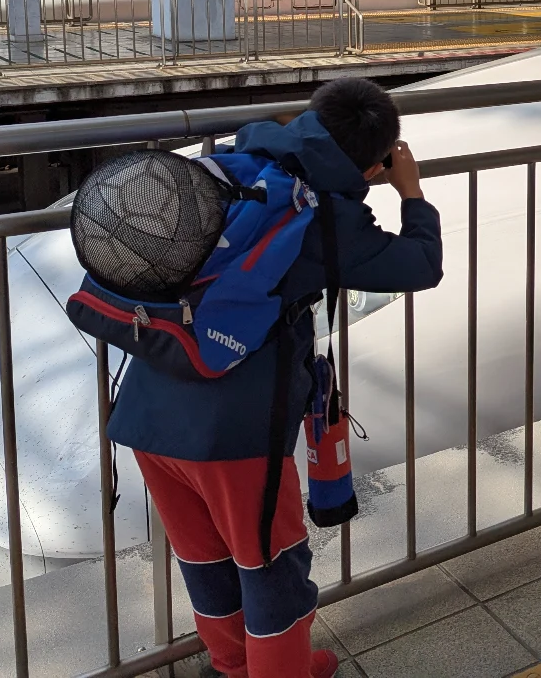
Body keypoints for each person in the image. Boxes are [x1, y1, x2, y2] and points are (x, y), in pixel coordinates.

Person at [105, 77, 443, 678]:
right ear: (373, 165)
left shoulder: (233, 162)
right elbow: (421, 265)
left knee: (203, 557)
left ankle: (235, 667)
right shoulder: (328, 219)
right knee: (273, 569)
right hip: (233, 433)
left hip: (147, 406)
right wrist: (411, 195)